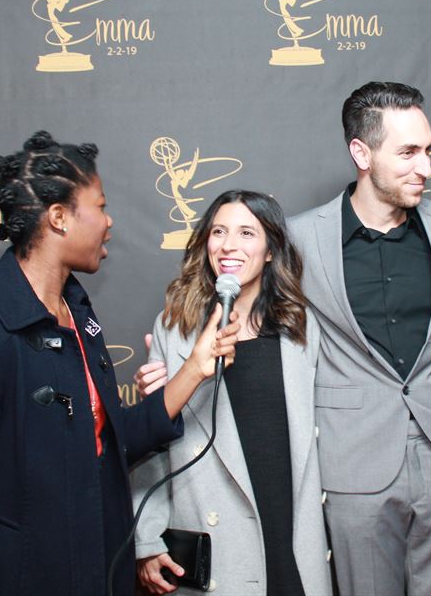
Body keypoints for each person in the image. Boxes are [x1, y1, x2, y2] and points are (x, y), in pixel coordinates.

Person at [0, 131, 238, 596]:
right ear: (59, 218)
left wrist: (195, 366)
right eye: (101, 207)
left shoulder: (76, 312)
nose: (109, 222)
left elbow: (108, 442)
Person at [287, 81, 431, 596]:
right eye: (408, 152)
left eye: (428, 150)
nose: (426, 167)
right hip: (353, 461)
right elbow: (280, 346)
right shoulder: (301, 238)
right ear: (362, 154)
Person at [132, 190, 331, 596]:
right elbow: (152, 445)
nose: (228, 245)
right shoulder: (175, 328)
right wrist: (147, 538)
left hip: (291, 529)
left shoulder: (301, 327)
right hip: (218, 537)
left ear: (271, 250)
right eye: (219, 231)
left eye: (246, 233)